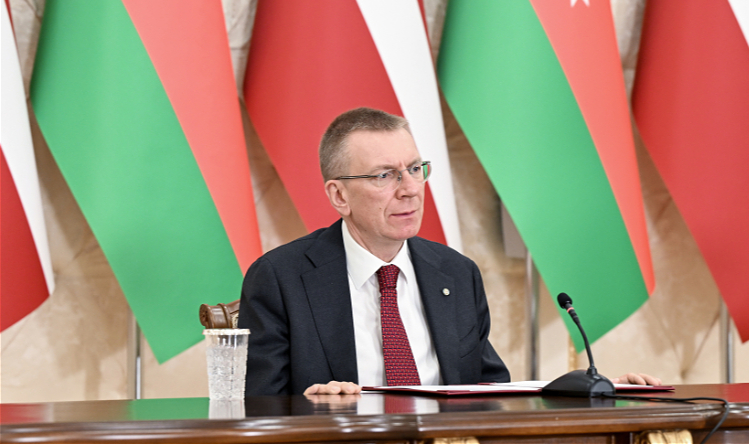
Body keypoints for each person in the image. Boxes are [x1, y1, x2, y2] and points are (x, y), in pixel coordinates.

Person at [239, 107, 660, 396]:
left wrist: (598, 393)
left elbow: (490, 392)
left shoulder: (455, 273)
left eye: (414, 169)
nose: (410, 189)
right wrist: (315, 408)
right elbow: (256, 408)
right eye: (385, 176)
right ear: (339, 195)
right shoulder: (281, 278)